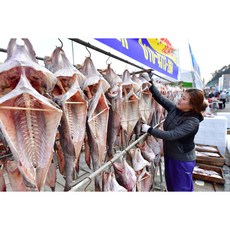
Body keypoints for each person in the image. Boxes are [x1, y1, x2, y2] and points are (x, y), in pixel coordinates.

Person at [141, 81, 208, 191]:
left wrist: (150, 130)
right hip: (170, 156)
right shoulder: (176, 109)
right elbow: (161, 99)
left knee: (181, 189)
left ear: (191, 105)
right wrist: (151, 85)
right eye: (181, 96)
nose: (179, 99)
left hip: (182, 161)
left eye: (184, 99)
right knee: (171, 186)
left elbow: (172, 135)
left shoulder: (192, 121)